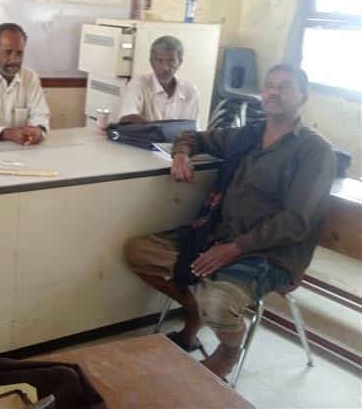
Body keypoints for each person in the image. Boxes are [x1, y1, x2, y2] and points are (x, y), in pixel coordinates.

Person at [124, 64, 335, 380]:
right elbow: (191, 137)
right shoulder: (248, 135)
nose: (273, 93)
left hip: (269, 253)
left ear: (303, 97)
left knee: (218, 301)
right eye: (269, 86)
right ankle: (195, 309)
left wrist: (234, 249)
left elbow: (295, 222)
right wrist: (181, 156)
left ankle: (228, 351)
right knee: (139, 251)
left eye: (284, 87)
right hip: (218, 235)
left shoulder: (314, 151)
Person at [117, 35, 199, 125]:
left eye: (171, 61)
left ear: (180, 62)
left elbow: (191, 128)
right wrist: (159, 129)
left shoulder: (190, 91)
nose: (165, 68)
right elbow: (127, 118)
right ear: (151, 62)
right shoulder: (139, 84)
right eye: (159, 61)